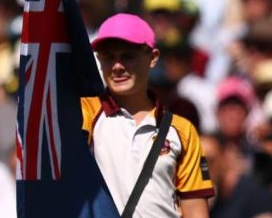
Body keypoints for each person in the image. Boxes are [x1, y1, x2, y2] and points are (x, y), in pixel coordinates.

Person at [80, 13, 214, 217]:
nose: (117, 66)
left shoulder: (182, 130)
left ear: (153, 58)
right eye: (108, 57)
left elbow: (195, 210)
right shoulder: (85, 113)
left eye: (128, 56)